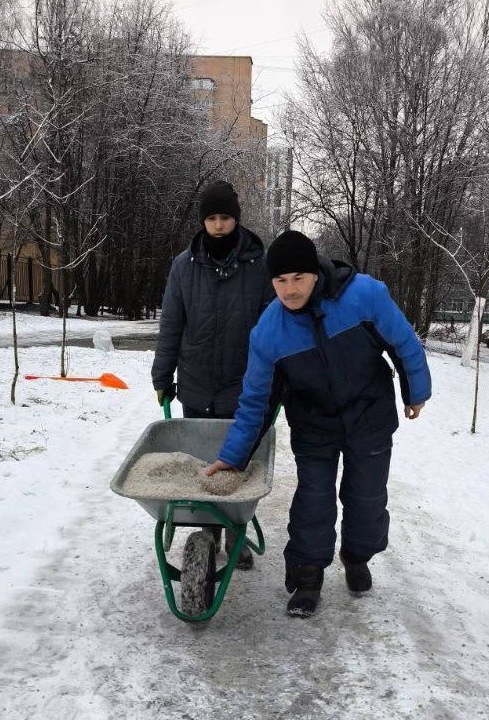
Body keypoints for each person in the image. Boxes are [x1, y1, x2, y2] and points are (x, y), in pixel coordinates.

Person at [205, 230, 431, 617]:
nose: (289, 290)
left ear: (315, 273)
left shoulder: (364, 296)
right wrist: (234, 455)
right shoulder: (268, 333)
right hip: (313, 424)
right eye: (280, 281)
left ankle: (357, 557)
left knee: (367, 497)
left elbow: (403, 342)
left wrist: (415, 390)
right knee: (313, 500)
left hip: (369, 414)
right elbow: (256, 401)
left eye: (298, 278)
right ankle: (308, 578)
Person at [152, 180, 274, 569]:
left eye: (225, 217)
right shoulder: (183, 266)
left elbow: (274, 326)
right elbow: (172, 324)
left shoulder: (260, 265)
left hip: (243, 383)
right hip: (197, 379)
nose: (219, 225)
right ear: (203, 221)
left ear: (235, 219)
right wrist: (161, 376)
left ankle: (236, 531)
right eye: (212, 218)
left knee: (240, 461)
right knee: (203, 460)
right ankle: (208, 532)